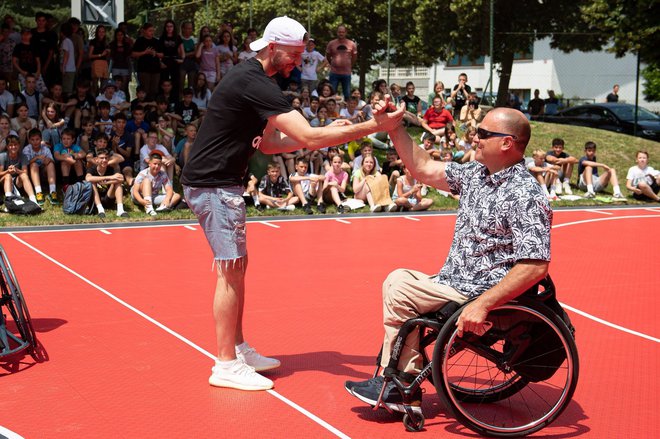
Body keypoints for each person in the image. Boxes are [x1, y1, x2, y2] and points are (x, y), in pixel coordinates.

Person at [181, 15, 404, 392]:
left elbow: (270, 144)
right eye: (295, 54)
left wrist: (324, 134)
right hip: (214, 186)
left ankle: (236, 349)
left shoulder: (256, 81)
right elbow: (308, 135)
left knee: (237, 266)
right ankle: (225, 363)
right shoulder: (255, 82)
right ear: (272, 47)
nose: (298, 62)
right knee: (231, 269)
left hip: (218, 183)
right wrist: (371, 127)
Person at [345, 108, 552, 416]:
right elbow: (424, 167)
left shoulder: (524, 194)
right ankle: (402, 378)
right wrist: (394, 127)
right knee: (399, 277)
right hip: (454, 281)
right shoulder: (476, 175)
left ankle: (402, 384)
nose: (475, 138)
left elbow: (535, 265)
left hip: (479, 290)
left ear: (507, 143)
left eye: (483, 134)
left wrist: (483, 304)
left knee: (399, 289)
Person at [132, 150, 180, 215]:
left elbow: (169, 189)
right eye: (155, 164)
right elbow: (135, 191)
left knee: (177, 196)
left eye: (159, 164)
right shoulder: (143, 173)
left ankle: (164, 206)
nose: (157, 166)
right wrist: (142, 201)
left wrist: (167, 199)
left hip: (153, 196)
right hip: (139, 196)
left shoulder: (163, 174)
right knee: (147, 180)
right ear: (149, 164)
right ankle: (149, 208)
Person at [85, 148, 127, 218]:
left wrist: (108, 182)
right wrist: (108, 178)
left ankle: (120, 210)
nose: (104, 160)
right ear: (96, 159)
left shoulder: (111, 169)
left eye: (106, 158)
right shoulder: (92, 169)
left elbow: (121, 178)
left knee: (118, 183)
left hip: (108, 198)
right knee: (92, 183)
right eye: (101, 158)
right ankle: (100, 210)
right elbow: (88, 178)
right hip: (95, 201)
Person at [23, 128, 57, 205]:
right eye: (32, 140)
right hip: (32, 175)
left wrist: (48, 160)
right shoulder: (26, 149)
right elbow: (25, 163)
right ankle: (38, 193)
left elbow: (52, 160)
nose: (35, 142)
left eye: (37, 139)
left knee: (51, 164)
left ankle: (53, 192)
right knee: (34, 164)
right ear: (29, 140)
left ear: (41, 139)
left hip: (44, 173)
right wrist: (36, 158)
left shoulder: (45, 149)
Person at [0, 134, 38, 204]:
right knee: (8, 176)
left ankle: (33, 199)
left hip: (16, 182)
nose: (13, 147)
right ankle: (9, 200)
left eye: (15, 145)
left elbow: (25, 172)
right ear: (7, 147)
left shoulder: (23, 156)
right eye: (11, 145)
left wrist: (16, 170)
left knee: (24, 175)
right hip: (4, 182)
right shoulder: (3, 156)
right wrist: (7, 171)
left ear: (19, 145)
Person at [325, 25, 357, 101]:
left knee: (347, 94)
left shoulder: (351, 44)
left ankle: (346, 111)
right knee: (331, 94)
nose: (341, 34)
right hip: (334, 73)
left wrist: (349, 65)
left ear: (346, 33)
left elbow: (354, 57)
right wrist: (333, 64)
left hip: (346, 73)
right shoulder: (331, 43)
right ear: (337, 33)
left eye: (343, 32)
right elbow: (328, 56)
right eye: (339, 32)